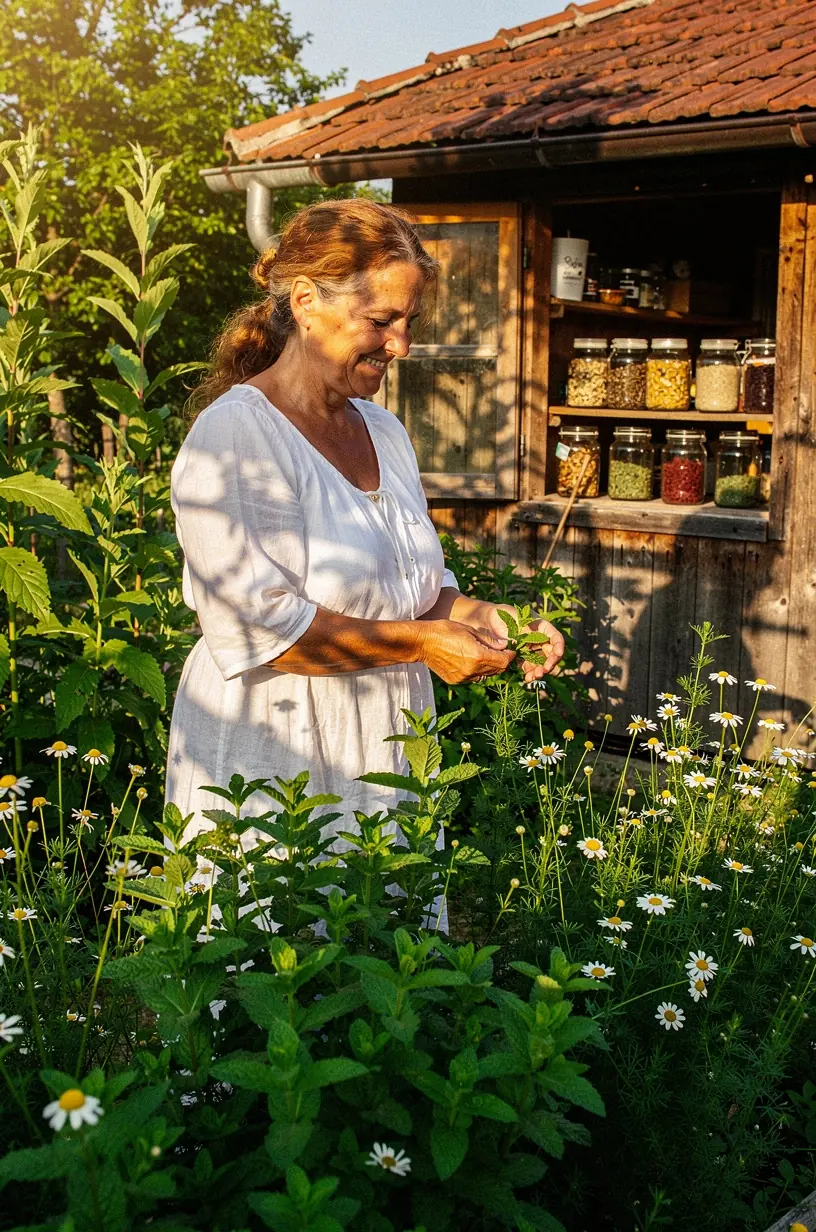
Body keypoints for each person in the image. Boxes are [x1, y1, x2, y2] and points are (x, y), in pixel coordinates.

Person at [165, 200, 564, 844]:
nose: (401, 345)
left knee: (387, 927)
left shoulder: (383, 430)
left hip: (390, 751)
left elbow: (418, 591)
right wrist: (420, 644)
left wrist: (486, 617)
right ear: (304, 301)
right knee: (288, 930)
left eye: (409, 322)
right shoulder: (237, 436)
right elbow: (266, 634)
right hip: (279, 755)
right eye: (381, 320)